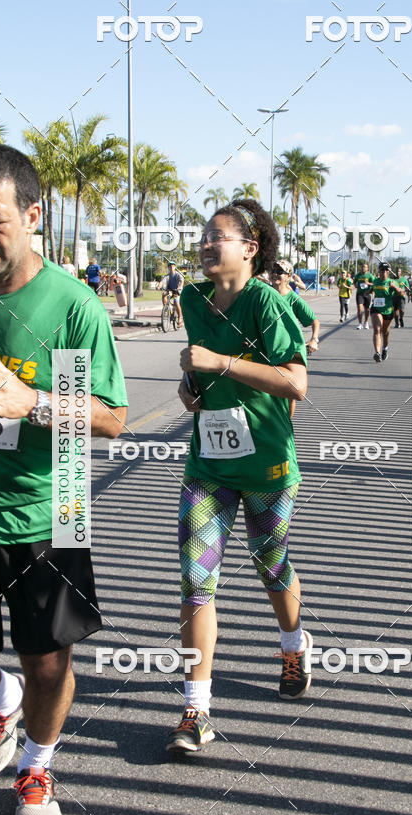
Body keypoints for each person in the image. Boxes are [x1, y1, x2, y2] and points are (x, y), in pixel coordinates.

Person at [0, 145, 128, 815]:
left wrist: (34, 402)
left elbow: (111, 418)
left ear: (32, 216)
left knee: (48, 660)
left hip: (55, 507)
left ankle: (37, 762)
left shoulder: (73, 307)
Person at [167, 198, 310, 754]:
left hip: (269, 466)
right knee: (195, 581)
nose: (205, 244)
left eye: (218, 236)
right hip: (207, 465)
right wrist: (190, 390)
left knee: (270, 564)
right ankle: (195, 710)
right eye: (203, 235)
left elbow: (296, 383)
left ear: (249, 249)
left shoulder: (265, 303)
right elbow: (196, 375)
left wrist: (218, 363)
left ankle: (293, 643)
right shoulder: (191, 296)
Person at [270, 259, 320, 355]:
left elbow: (315, 321)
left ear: (288, 277)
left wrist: (314, 339)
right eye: (273, 271)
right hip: (265, 349)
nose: (275, 274)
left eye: (279, 271)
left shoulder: (294, 299)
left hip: (285, 351)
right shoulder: (264, 293)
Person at [370, 262, 404, 362]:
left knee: (385, 333)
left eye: (386, 270)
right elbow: (370, 290)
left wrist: (396, 288)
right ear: (379, 271)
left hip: (388, 310)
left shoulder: (392, 282)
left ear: (388, 272)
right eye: (382, 270)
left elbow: (402, 293)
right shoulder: (375, 281)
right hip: (376, 309)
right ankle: (377, 353)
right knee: (377, 329)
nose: (383, 272)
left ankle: (385, 349)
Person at [161, 261, 185, 327]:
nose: (171, 267)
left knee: (176, 302)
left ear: (175, 267)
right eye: (170, 266)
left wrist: (179, 287)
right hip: (170, 291)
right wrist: (158, 286)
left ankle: (180, 318)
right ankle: (166, 309)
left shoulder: (178, 275)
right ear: (168, 268)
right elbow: (162, 281)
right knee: (164, 295)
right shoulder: (167, 276)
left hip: (177, 291)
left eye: (173, 266)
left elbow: (181, 282)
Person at [354, 261, 374, 329]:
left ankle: (366, 322)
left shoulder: (370, 275)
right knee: (360, 308)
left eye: (365, 267)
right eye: (362, 267)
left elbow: (374, 284)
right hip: (360, 294)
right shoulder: (358, 275)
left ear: (367, 268)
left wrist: (368, 283)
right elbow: (354, 283)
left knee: (367, 309)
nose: (363, 268)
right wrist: (356, 285)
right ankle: (360, 323)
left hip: (367, 293)